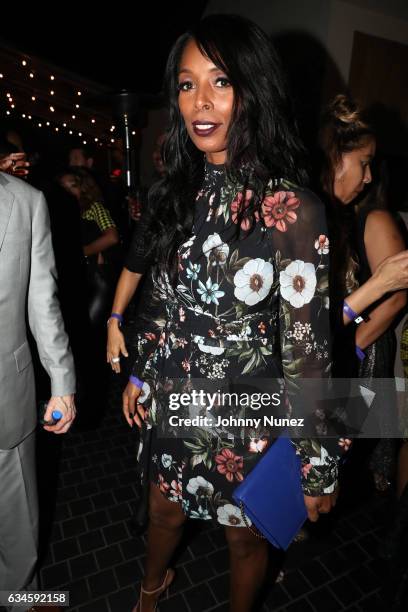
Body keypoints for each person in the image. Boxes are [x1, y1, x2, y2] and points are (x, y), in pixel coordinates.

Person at [112, 15, 346, 612]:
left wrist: (317, 468)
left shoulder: (293, 210)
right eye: (187, 85)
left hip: (251, 418)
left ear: (255, 89)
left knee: (246, 540)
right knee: (162, 511)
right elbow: (162, 300)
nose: (201, 102)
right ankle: (150, 588)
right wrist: (141, 372)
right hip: (177, 399)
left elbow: (309, 354)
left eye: (221, 81)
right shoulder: (177, 192)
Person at [318, 95, 407, 490]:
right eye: (364, 162)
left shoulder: (361, 215)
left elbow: (397, 295)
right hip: (326, 349)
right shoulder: (312, 211)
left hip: (353, 349)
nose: (368, 177)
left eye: (372, 165)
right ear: (336, 156)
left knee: (332, 456)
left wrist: (353, 344)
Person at [0, 166, 76, 612]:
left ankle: (21, 595)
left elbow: (41, 300)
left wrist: (62, 382)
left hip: (7, 392)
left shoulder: (27, 201)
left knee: (18, 516)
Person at [58, 167, 120, 327]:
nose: (67, 191)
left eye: (72, 185)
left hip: (95, 276)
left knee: (91, 328)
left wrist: (81, 252)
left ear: (82, 188)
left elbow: (112, 237)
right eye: (63, 187)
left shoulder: (94, 208)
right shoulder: (62, 214)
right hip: (75, 279)